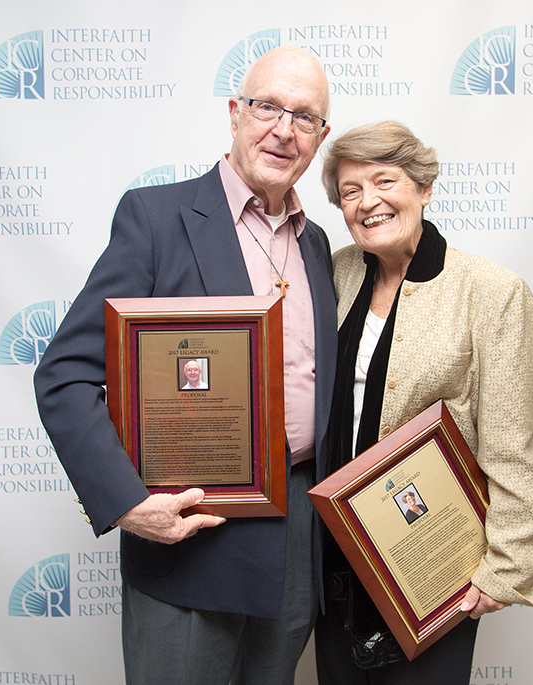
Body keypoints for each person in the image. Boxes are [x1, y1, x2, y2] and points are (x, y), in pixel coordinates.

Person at [33, 46, 337, 685]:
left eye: (304, 117)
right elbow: (65, 374)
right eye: (267, 107)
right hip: (194, 536)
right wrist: (125, 502)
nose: (283, 129)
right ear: (235, 113)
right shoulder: (156, 217)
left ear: (321, 137)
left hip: (300, 535)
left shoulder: (317, 244)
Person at [314, 121, 533, 684]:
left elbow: (510, 442)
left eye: (385, 181)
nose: (368, 202)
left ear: (423, 187)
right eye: (350, 191)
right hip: (334, 559)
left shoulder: (493, 293)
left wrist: (505, 569)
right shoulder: (334, 271)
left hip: (432, 566)